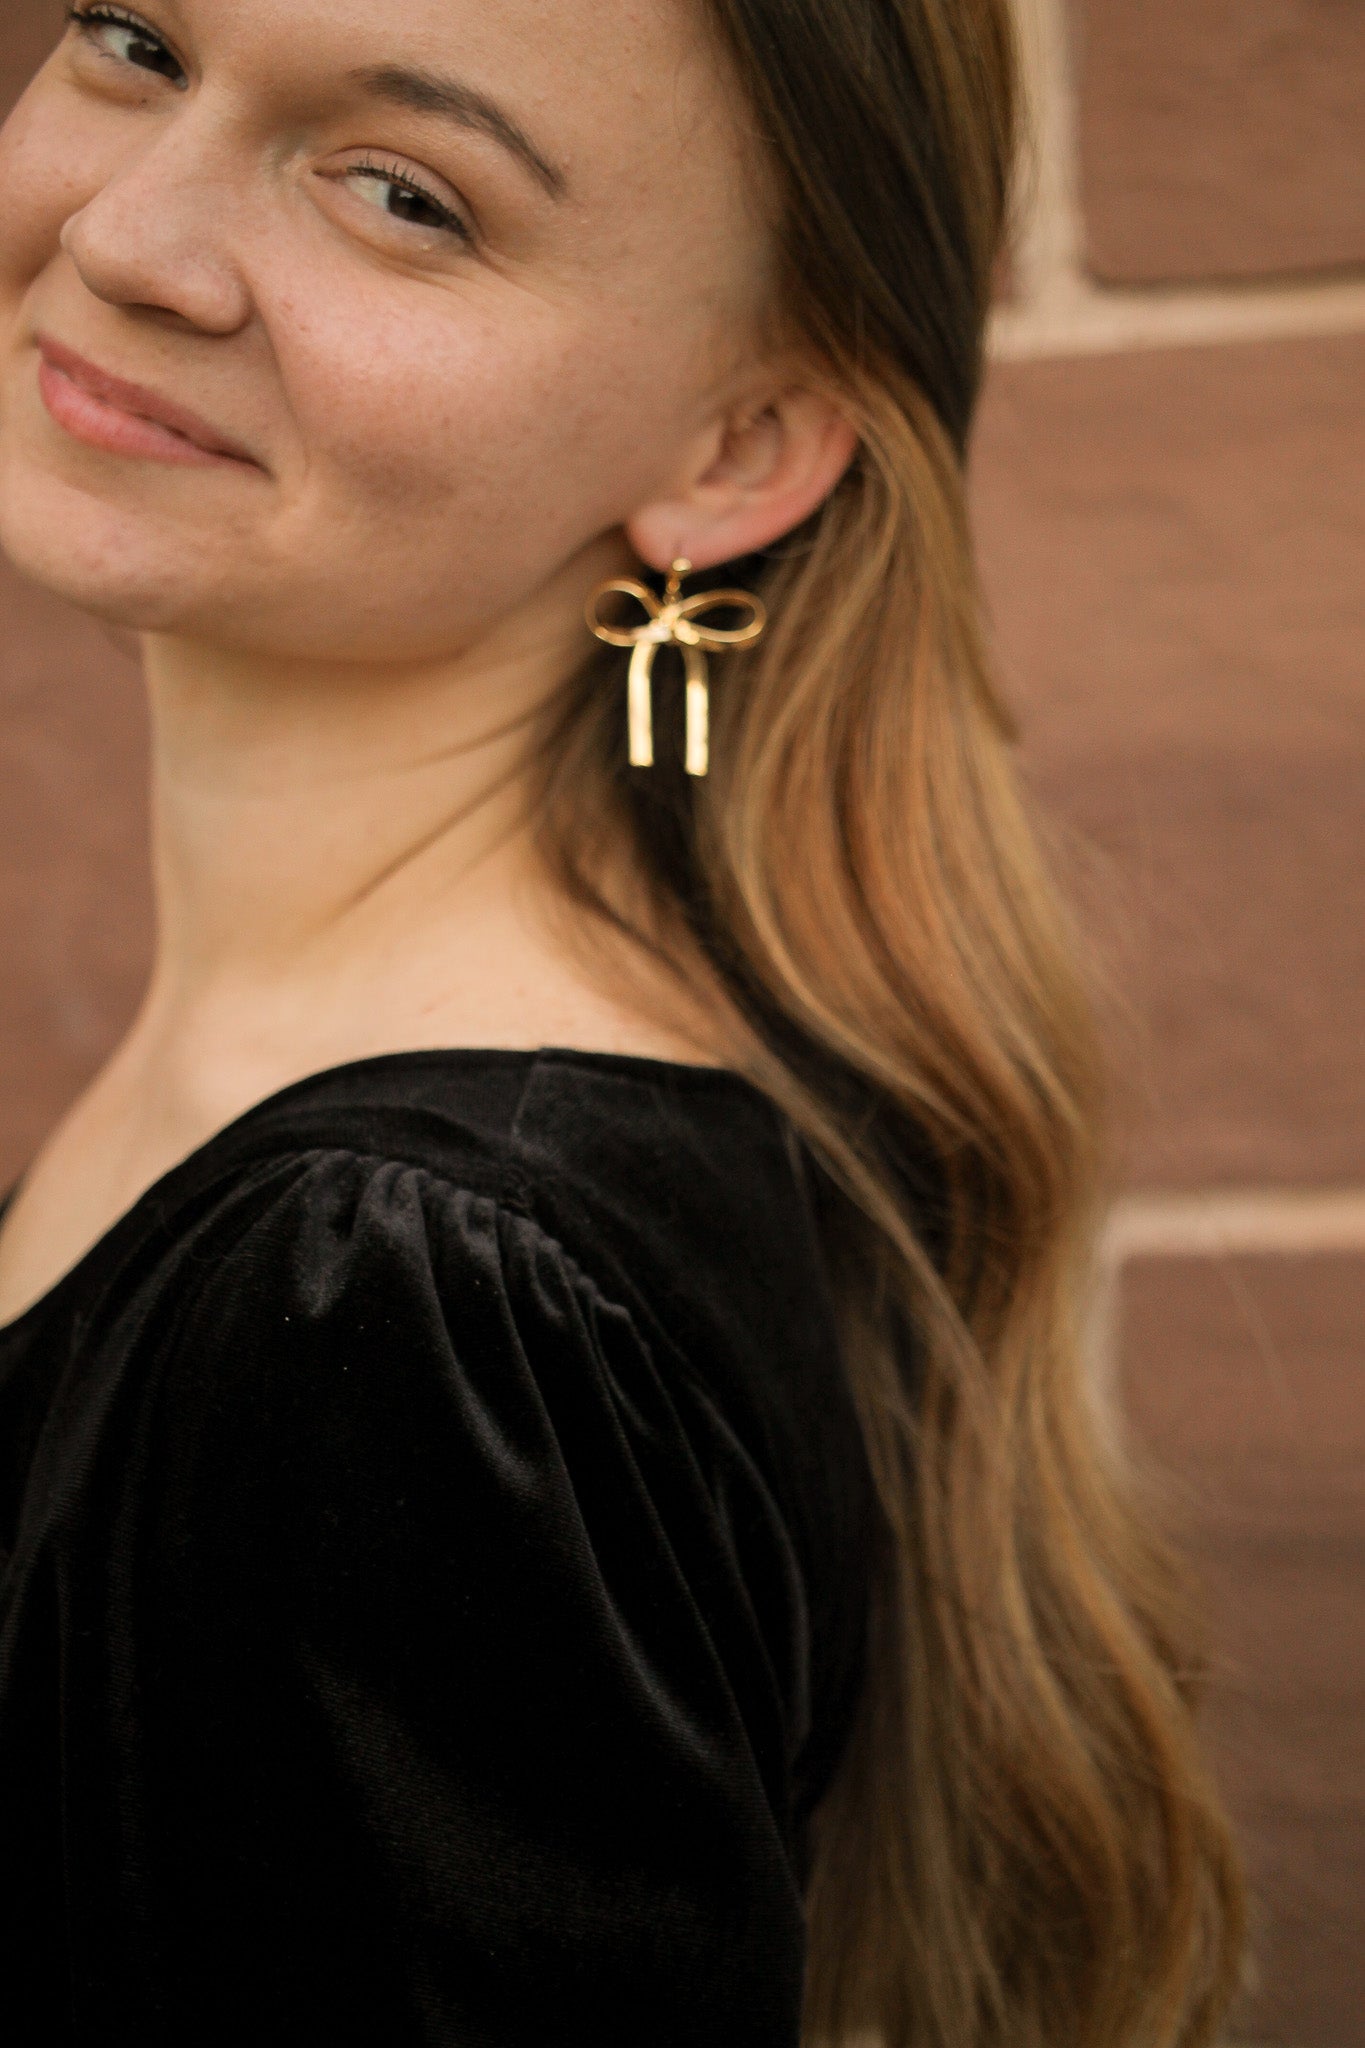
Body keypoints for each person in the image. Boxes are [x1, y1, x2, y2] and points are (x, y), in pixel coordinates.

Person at [0, 1, 1243, 2042]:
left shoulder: (399, 1298)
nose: (132, 232)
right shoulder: (353, 1190)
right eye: (133, 41)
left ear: (731, 451)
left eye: (402, 192)